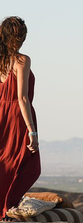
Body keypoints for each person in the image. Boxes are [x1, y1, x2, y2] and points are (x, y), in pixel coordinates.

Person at [0, 16, 41, 221]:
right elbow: (22, 98)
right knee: (24, 164)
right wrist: (32, 130)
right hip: (16, 119)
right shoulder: (21, 60)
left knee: (3, 163)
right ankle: (6, 208)